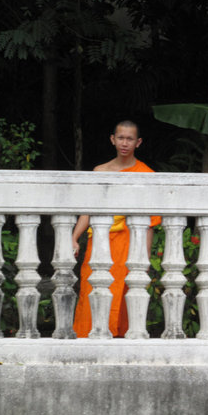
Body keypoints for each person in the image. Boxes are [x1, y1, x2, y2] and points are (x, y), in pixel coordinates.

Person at [72, 120, 161, 338]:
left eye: (130, 139)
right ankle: (87, 337)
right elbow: (88, 211)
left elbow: (149, 223)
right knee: (91, 290)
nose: (124, 143)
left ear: (138, 142)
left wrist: (145, 258)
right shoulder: (99, 171)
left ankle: (119, 340)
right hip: (99, 243)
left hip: (128, 244)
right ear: (112, 139)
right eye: (120, 138)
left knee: (123, 292)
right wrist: (74, 237)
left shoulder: (146, 174)